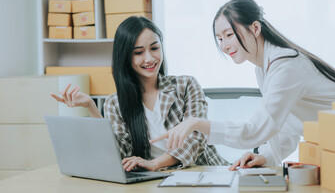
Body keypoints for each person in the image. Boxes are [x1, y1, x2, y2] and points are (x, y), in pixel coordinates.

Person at [151, 0, 335, 169]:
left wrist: (195, 123)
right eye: (219, 38)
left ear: (255, 28)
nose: (224, 45)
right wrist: (266, 156)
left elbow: (254, 130)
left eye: (229, 34)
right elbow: (288, 125)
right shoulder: (264, 68)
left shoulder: (286, 65)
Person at [51, 16, 228, 172]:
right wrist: (91, 106)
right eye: (138, 52)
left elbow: (196, 140)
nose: (149, 58)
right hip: (152, 180)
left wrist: (155, 164)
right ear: (126, 57)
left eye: (154, 48)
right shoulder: (115, 103)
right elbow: (119, 154)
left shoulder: (186, 85)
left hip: (200, 173)